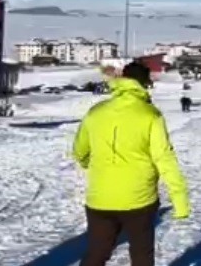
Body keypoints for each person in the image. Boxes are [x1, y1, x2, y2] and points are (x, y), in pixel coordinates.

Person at [72, 62, 190, 266]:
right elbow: (164, 158)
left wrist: (91, 165)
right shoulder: (150, 114)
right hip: (139, 200)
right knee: (141, 255)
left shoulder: (96, 112)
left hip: (101, 198)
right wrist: (179, 199)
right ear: (144, 84)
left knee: (97, 253)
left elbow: (80, 151)